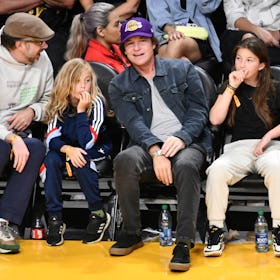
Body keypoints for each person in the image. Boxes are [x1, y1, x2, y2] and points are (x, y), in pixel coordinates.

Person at [108, 17, 212, 272]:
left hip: (188, 141)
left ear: (153, 44)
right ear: (124, 50)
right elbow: (133, 123)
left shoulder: (182, 70)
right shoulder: (118, 85)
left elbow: (199, 111)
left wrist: (181, 137)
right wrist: (156, 151)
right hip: (147, 145)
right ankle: (132, 231)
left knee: (187, 164)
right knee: (124, 159)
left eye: (142, 41)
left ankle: (184, 241)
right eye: (130, 44)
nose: (136, 48)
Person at [204, 37, 280, 257]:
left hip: (272, 145)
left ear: (262, 65)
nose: (242, 65)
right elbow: (216, 119)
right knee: (217, 170)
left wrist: (268, 136)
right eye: (238, 59)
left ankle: (277, 228)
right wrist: (231, 88)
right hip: (239, 148)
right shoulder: (229, 86)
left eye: (249, 60)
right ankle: (216, 229)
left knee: (277, 167)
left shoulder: (275, 87)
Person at [43, 58, 112, 246]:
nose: (84, 86)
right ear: (67, 82)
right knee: (50, 160)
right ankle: (55, 218)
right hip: (67, 148)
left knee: (80, 159)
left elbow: (88, 142)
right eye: (78, 81)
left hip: (95, 147)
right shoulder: (59, 102)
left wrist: (82, 111)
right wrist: (68, 149)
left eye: (87, 80)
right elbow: (50, 139)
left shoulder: (96, 102)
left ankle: (98, 213)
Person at [0, 12, 54, 253]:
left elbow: (51, 101)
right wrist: (10, 138)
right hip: (5, 135)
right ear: (20, 44)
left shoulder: (42, 59)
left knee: (35, 149)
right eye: (39, 42)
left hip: (22, 132)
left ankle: (5, 223)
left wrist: (33, 111)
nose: (45, 46)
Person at [0, 0, 93, 76]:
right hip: (14, 32)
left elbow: (68, 2)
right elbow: (3, 6)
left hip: (52, 32)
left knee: (56, 65)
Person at [146, 0, 222, 63]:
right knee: (180, 59)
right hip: (165, 34)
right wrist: (170, 30)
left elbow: (208, 7)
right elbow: (159, 14)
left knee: (178, 43)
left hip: (198, 34)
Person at [65, 2, 130, 74]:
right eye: (116, 25)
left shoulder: (116, 48)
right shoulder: (96, 64)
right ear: (101, 31)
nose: (121, 28)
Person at [221, 0, 280, 71]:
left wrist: (277, 33)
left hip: (276, 30)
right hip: (245, 29)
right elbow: (234, 15)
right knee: (244, 41)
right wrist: (257, 31)